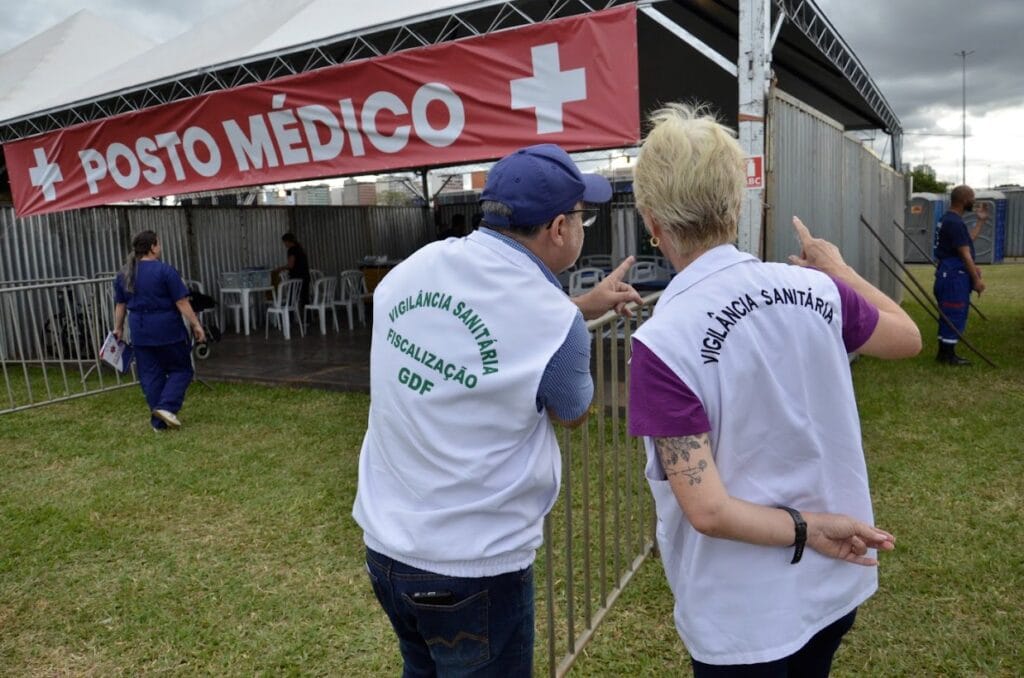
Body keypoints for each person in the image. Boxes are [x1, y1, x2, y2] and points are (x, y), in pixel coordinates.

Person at [627, 104, 922, 676]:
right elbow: (906, 335)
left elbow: (708, 511)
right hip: (832, 588)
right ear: (738, 205)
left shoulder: (662, 340)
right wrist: (839, 269)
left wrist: (809, 530)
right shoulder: (817, 290)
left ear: (651, 220)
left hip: (742, 615)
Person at [352, 143, 642, 676]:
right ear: (559, 228)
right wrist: (573, 323)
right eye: (583, 217)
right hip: (474, 569)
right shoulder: (554, 323)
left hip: (386, 546)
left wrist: (577, 307)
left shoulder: (418, 266)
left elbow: (476, 324)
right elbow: (571, 411)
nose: (584, 228)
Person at [113, 230, 205, 431]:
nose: (160, 248)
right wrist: (196, 325)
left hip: (139, 329)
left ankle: (159, 423)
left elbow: (120, 305)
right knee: (181, 369)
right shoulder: (165, 271)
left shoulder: (124, 273)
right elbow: (181, 301)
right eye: (159, 244)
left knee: (149, 374)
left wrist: (118, 329)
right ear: (152, 247)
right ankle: (166, 407)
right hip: (167, 328)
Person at [933, 185, 988, 365]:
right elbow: (965, 253)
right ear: (964, 200)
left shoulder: (949, 219)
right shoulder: (954, 222)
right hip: (954, 275)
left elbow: (966, 241)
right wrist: (977, 280)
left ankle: (944, 353)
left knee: (948, 312)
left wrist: (980, 222)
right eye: (972, 197)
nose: (974, 201)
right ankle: (948, 356)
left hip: (948, 273)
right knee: (954, 310)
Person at [274, 232, 311, 309]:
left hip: (296, 278)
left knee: (291, 300)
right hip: (305, 277)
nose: (284, 244)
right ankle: (307, 318)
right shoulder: (300, 249)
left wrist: (279, 269)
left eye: (284, 242)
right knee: (305, 299)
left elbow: (291, 265)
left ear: (287, 241)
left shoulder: (292, 250)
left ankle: (289, 318)